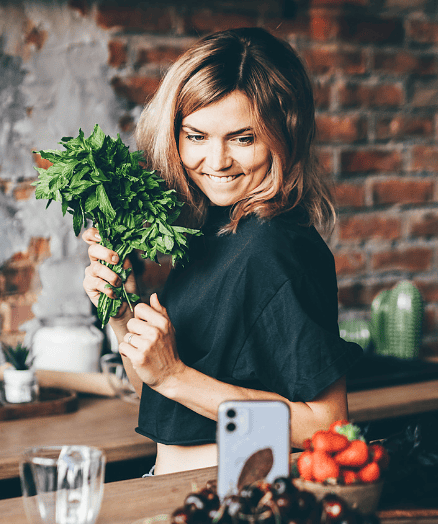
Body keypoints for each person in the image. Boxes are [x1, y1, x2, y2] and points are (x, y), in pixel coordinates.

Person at [82, 27, 362, 476]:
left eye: (243, 138)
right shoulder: (215, 230)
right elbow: (156, 390)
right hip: (177, 487)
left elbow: (327, 424)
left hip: (237, 494)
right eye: (196, 137)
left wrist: (175, 374)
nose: (216, 162)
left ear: (285, 134)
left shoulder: (274, 247)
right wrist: (121, 311)